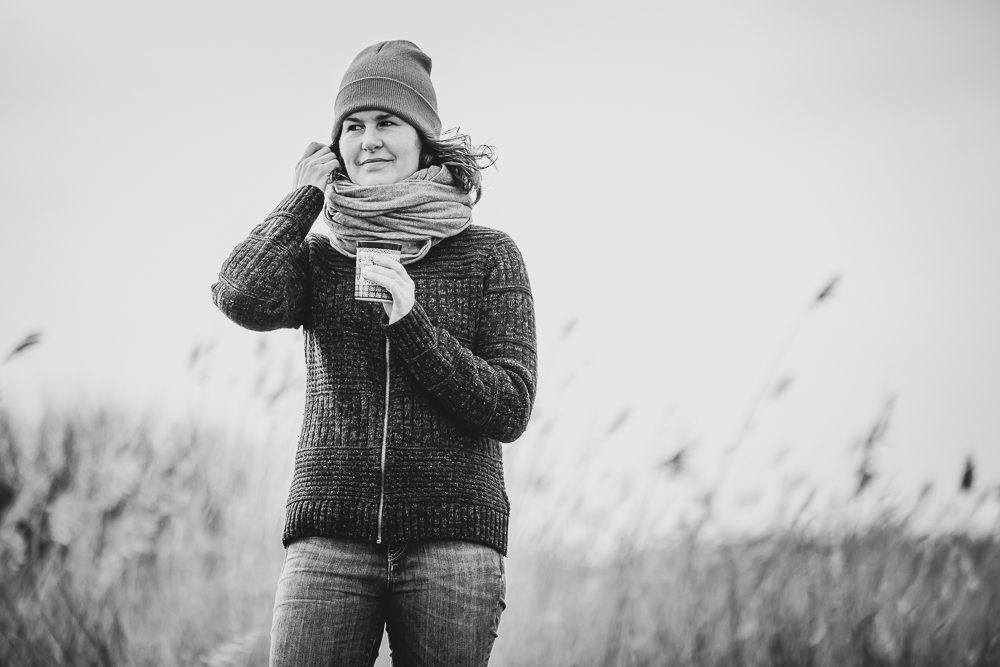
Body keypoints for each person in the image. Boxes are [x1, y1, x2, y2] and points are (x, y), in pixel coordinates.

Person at [212, 40, 537, 667]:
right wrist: (303, 200)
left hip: (454, 550)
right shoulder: (318, 258)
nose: (370, 141)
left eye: (387, 122)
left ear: (422, 138)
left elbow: (510, 406)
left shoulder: (489, 254)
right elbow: (239, 294)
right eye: (353, 128)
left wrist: (411, 322)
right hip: (329, 544)